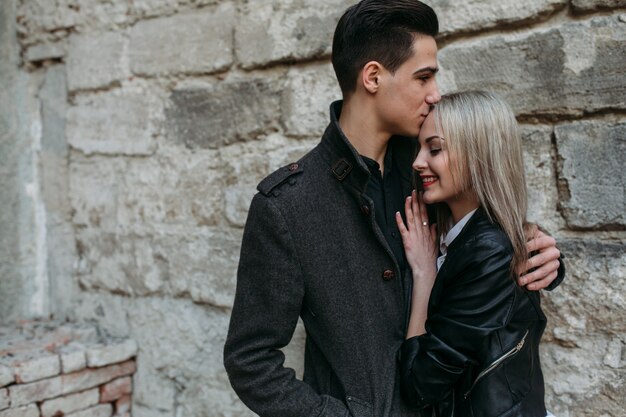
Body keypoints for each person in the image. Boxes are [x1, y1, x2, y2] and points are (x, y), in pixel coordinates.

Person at [224, 2, 563, 416]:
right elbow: (250, 360)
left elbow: (483, 244)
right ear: (372, 77)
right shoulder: (288, 205)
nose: (435, 93)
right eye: (424, 76)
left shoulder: (433, 173)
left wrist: (541, 254)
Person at [396, 91, 551, 416]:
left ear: (479, 154)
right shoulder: (456, 233)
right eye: (419, 147)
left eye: (434, 149)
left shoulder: (489, 251)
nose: (417, 162)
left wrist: (424, 275)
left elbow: (419, 384)